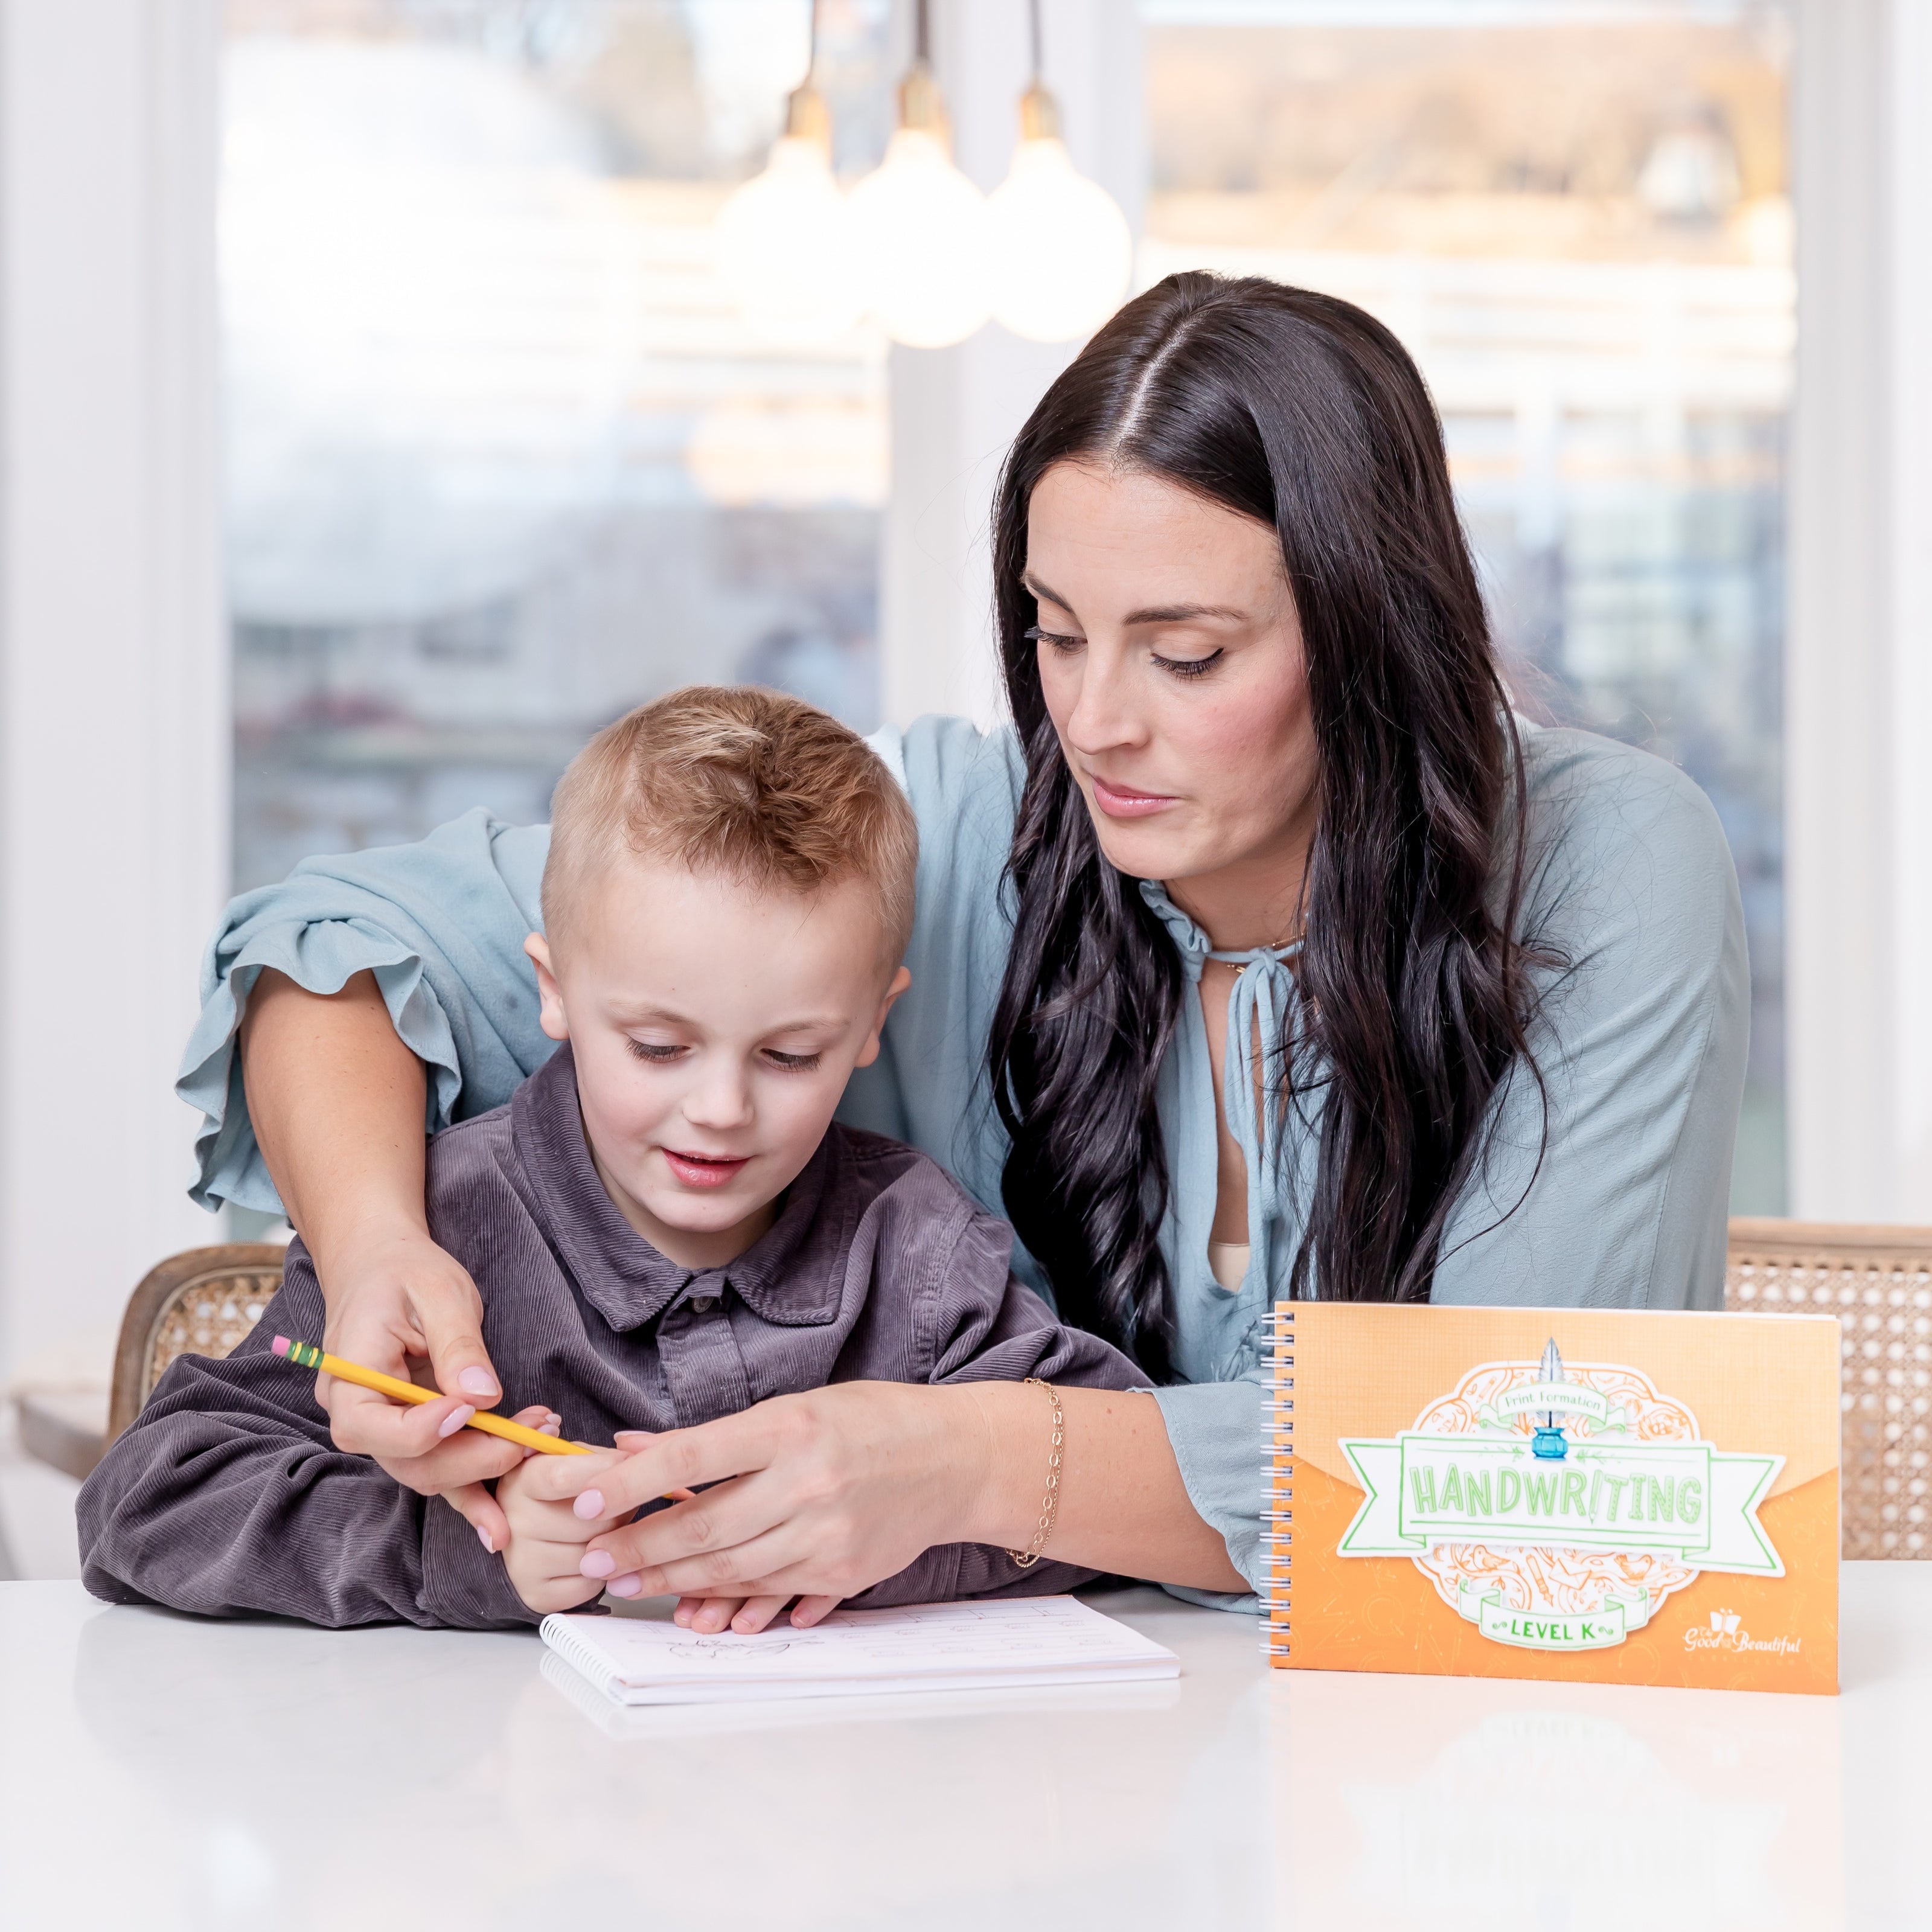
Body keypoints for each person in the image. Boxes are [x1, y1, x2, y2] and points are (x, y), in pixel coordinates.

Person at [181, 273, 1748, 1615]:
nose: (1094, 722)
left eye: (1187, 654)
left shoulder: (1610, 862)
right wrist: (382, 1241)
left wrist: (974, 1461)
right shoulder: (955, 822)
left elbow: (1521, 1461)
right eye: (1055, 633)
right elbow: (344, 948)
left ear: (1370, 632)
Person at [79, 689, 1141, 1630]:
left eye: (789, 1054)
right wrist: (459, 1552)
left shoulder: (918, 1242)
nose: (720, 1109)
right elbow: (148, 1501)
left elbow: (1098, 1488)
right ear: (554, 991)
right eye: (660, 1047)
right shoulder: (439, 1225)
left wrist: (880, 1542)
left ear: (872, 1024)